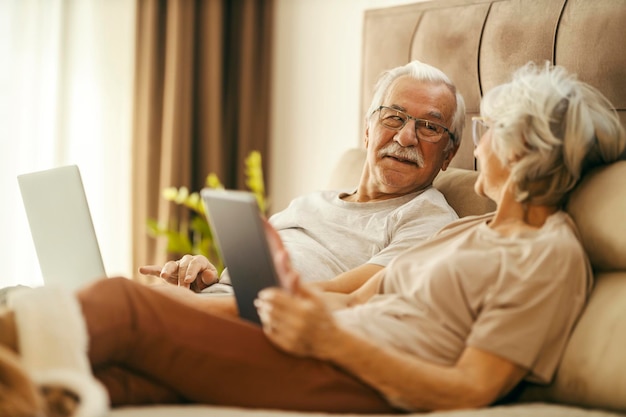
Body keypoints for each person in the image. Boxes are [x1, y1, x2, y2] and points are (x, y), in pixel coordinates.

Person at [2, 61, 625, 417]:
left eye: (484, 132)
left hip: (363, 380)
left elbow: (472, 389)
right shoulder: (475, 228)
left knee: (122, 304)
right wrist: (255, 301)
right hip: (324, 343)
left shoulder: (548, 257)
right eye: (395, 117)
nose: (478, 143)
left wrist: (328, 340)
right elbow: (352, 300)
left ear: (520, 151)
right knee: (114, 383)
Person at [140, 59, 464, 299]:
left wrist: (229, 303)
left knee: (121, 301)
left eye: (430, 127)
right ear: (368, 131)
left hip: (275, 325)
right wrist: (205, 282)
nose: (406, 137)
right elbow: (252, 279)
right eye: (394, 117)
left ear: (449, 154)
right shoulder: (311, 203)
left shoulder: (429, 218)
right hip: (226, 308)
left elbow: (349, 296)